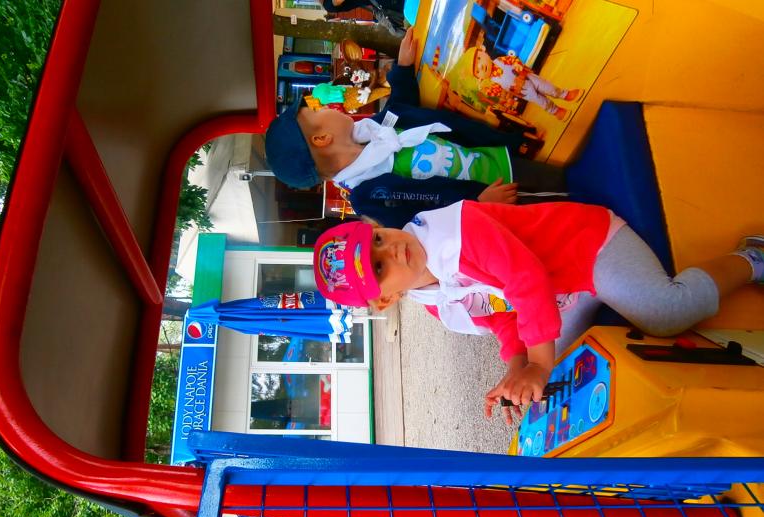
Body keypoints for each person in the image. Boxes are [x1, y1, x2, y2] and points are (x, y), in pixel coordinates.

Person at [311, 199, 764, 423]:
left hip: (587, 248)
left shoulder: (455, 232)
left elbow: (525, 279)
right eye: (380, 267)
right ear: (386, 299)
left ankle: (752, 258)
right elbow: (500, 317)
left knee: (665, 313)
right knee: (555, 380)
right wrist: (516, 369)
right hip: (560, 293)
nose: (391, 249)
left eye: (376, 239)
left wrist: (538, 364)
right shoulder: (431, 296)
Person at [265, 27, 567, 229]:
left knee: (563, 178)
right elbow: (423, 217)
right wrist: (478, 204)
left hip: (495, 159)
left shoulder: (372, 133)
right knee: (567, 202)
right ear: (321, 138)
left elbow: (401, 109)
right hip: (496, 197)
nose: (328, 107)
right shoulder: (366, 193)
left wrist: (403, 69)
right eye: (317, 111)